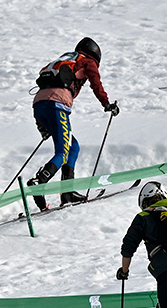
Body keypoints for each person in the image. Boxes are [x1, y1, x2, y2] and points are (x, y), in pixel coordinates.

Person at [28, 37, 118, 211]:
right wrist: (106, 104)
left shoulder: (64, 59)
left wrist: (42, 126)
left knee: (73, 146)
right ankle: (40, 182)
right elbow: (95, 82)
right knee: (63, 151)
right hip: (56, 105)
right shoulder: (87, 61)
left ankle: (67, 191)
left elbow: (43, 92)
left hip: (39, 105)